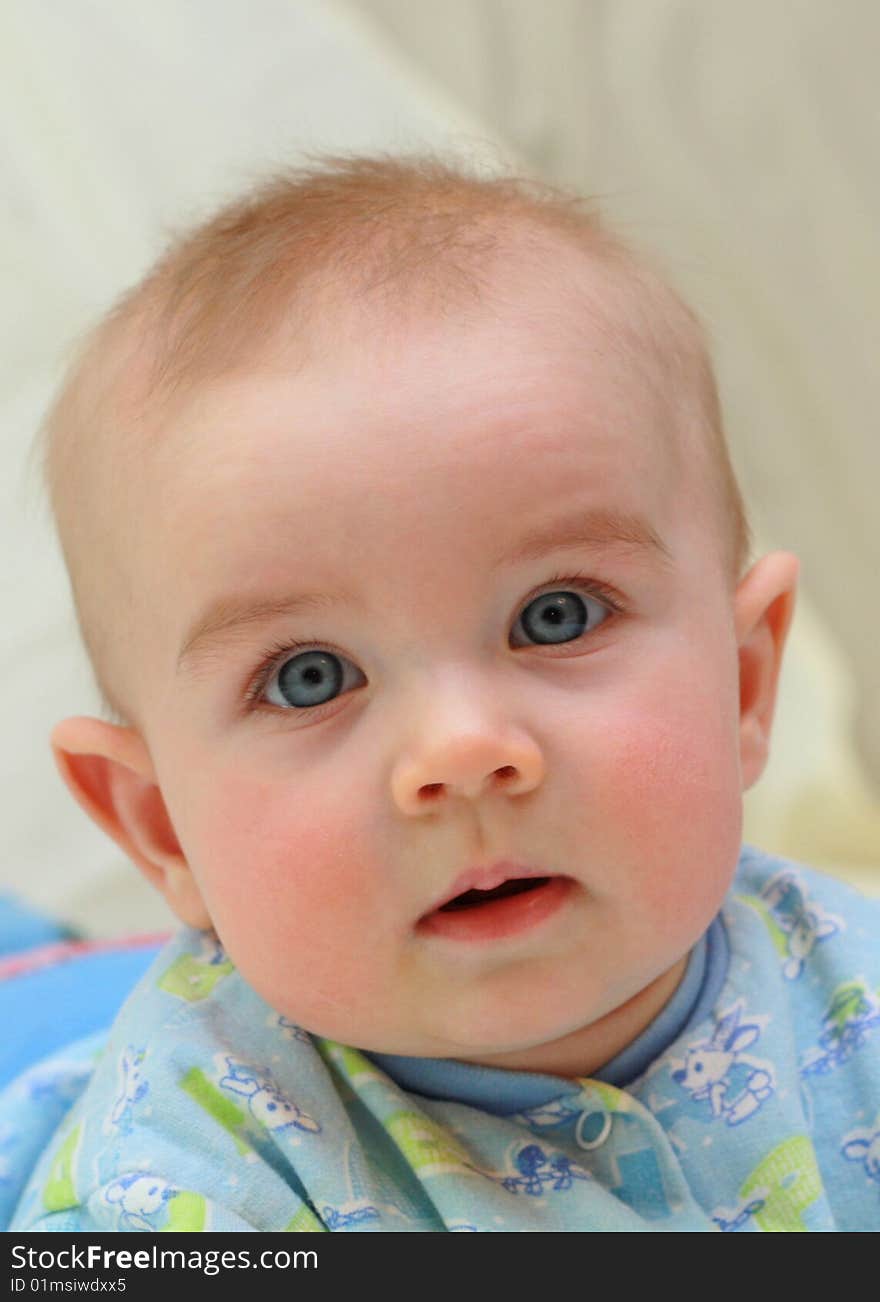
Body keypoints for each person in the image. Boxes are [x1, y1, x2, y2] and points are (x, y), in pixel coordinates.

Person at [7, 155, 880, 1231]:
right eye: (309, 678)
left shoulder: (850, 989)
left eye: (556, 614)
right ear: (161, 829)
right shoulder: (176, 1167)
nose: (462, 750)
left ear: (743, 684)